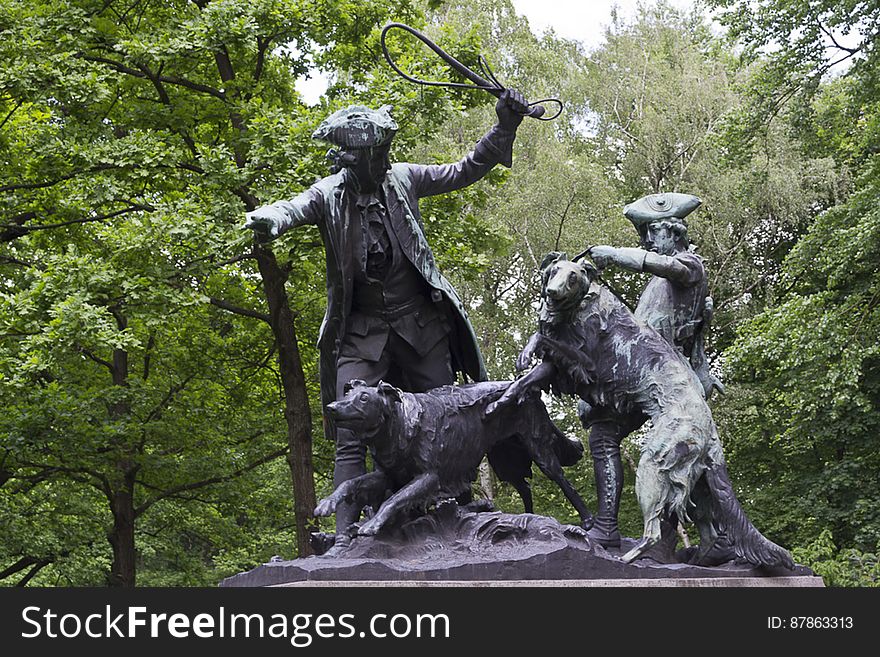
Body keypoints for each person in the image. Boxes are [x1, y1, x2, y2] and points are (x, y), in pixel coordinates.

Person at [244, 90, 529, 552]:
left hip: (421, 327)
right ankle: (343, 542)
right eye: (378, 154)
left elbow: (464, 169)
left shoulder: (403, 178)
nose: (386, 160)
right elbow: (291, 207)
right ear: (353, 159)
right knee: (349, 438)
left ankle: (451, 518)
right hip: (361, 333)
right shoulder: (329, 194)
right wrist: (269, 219)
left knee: (448, 423)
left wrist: (505, 126)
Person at [582, 192, 722, 548]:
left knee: (610, 435)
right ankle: (704, 541)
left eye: (652, 231)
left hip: (664, 377)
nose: (646, 240)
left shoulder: (688, 265)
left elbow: (684, 329)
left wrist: (612, 255)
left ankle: (613, 531)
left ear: (673, 231)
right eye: (644, 234)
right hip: (651, 374)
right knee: (690, 458)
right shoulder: (662, 282)